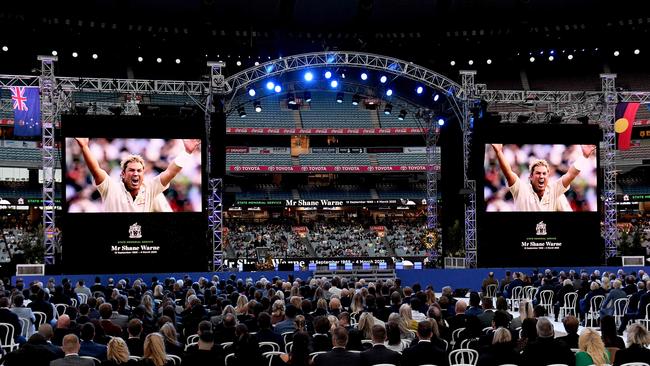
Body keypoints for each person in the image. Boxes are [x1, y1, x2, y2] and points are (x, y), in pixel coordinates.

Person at [74, 138, 200, 212]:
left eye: (139, 171)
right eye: (131, 170)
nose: (136, 174)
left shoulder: (150, 188)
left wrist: (187, 152)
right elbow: (96, 169)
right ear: (122, 174)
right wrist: (84, 147)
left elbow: (170, 172)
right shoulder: (110, 188)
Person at [491, 143, 595, 211]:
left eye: (544, 173)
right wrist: (499, 152)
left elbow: (570, 174)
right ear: (530, 176)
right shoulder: (521, 189)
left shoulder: (554, 190)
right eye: (538, 173)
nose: (541, 176)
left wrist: (584, 157)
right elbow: (508, 173)